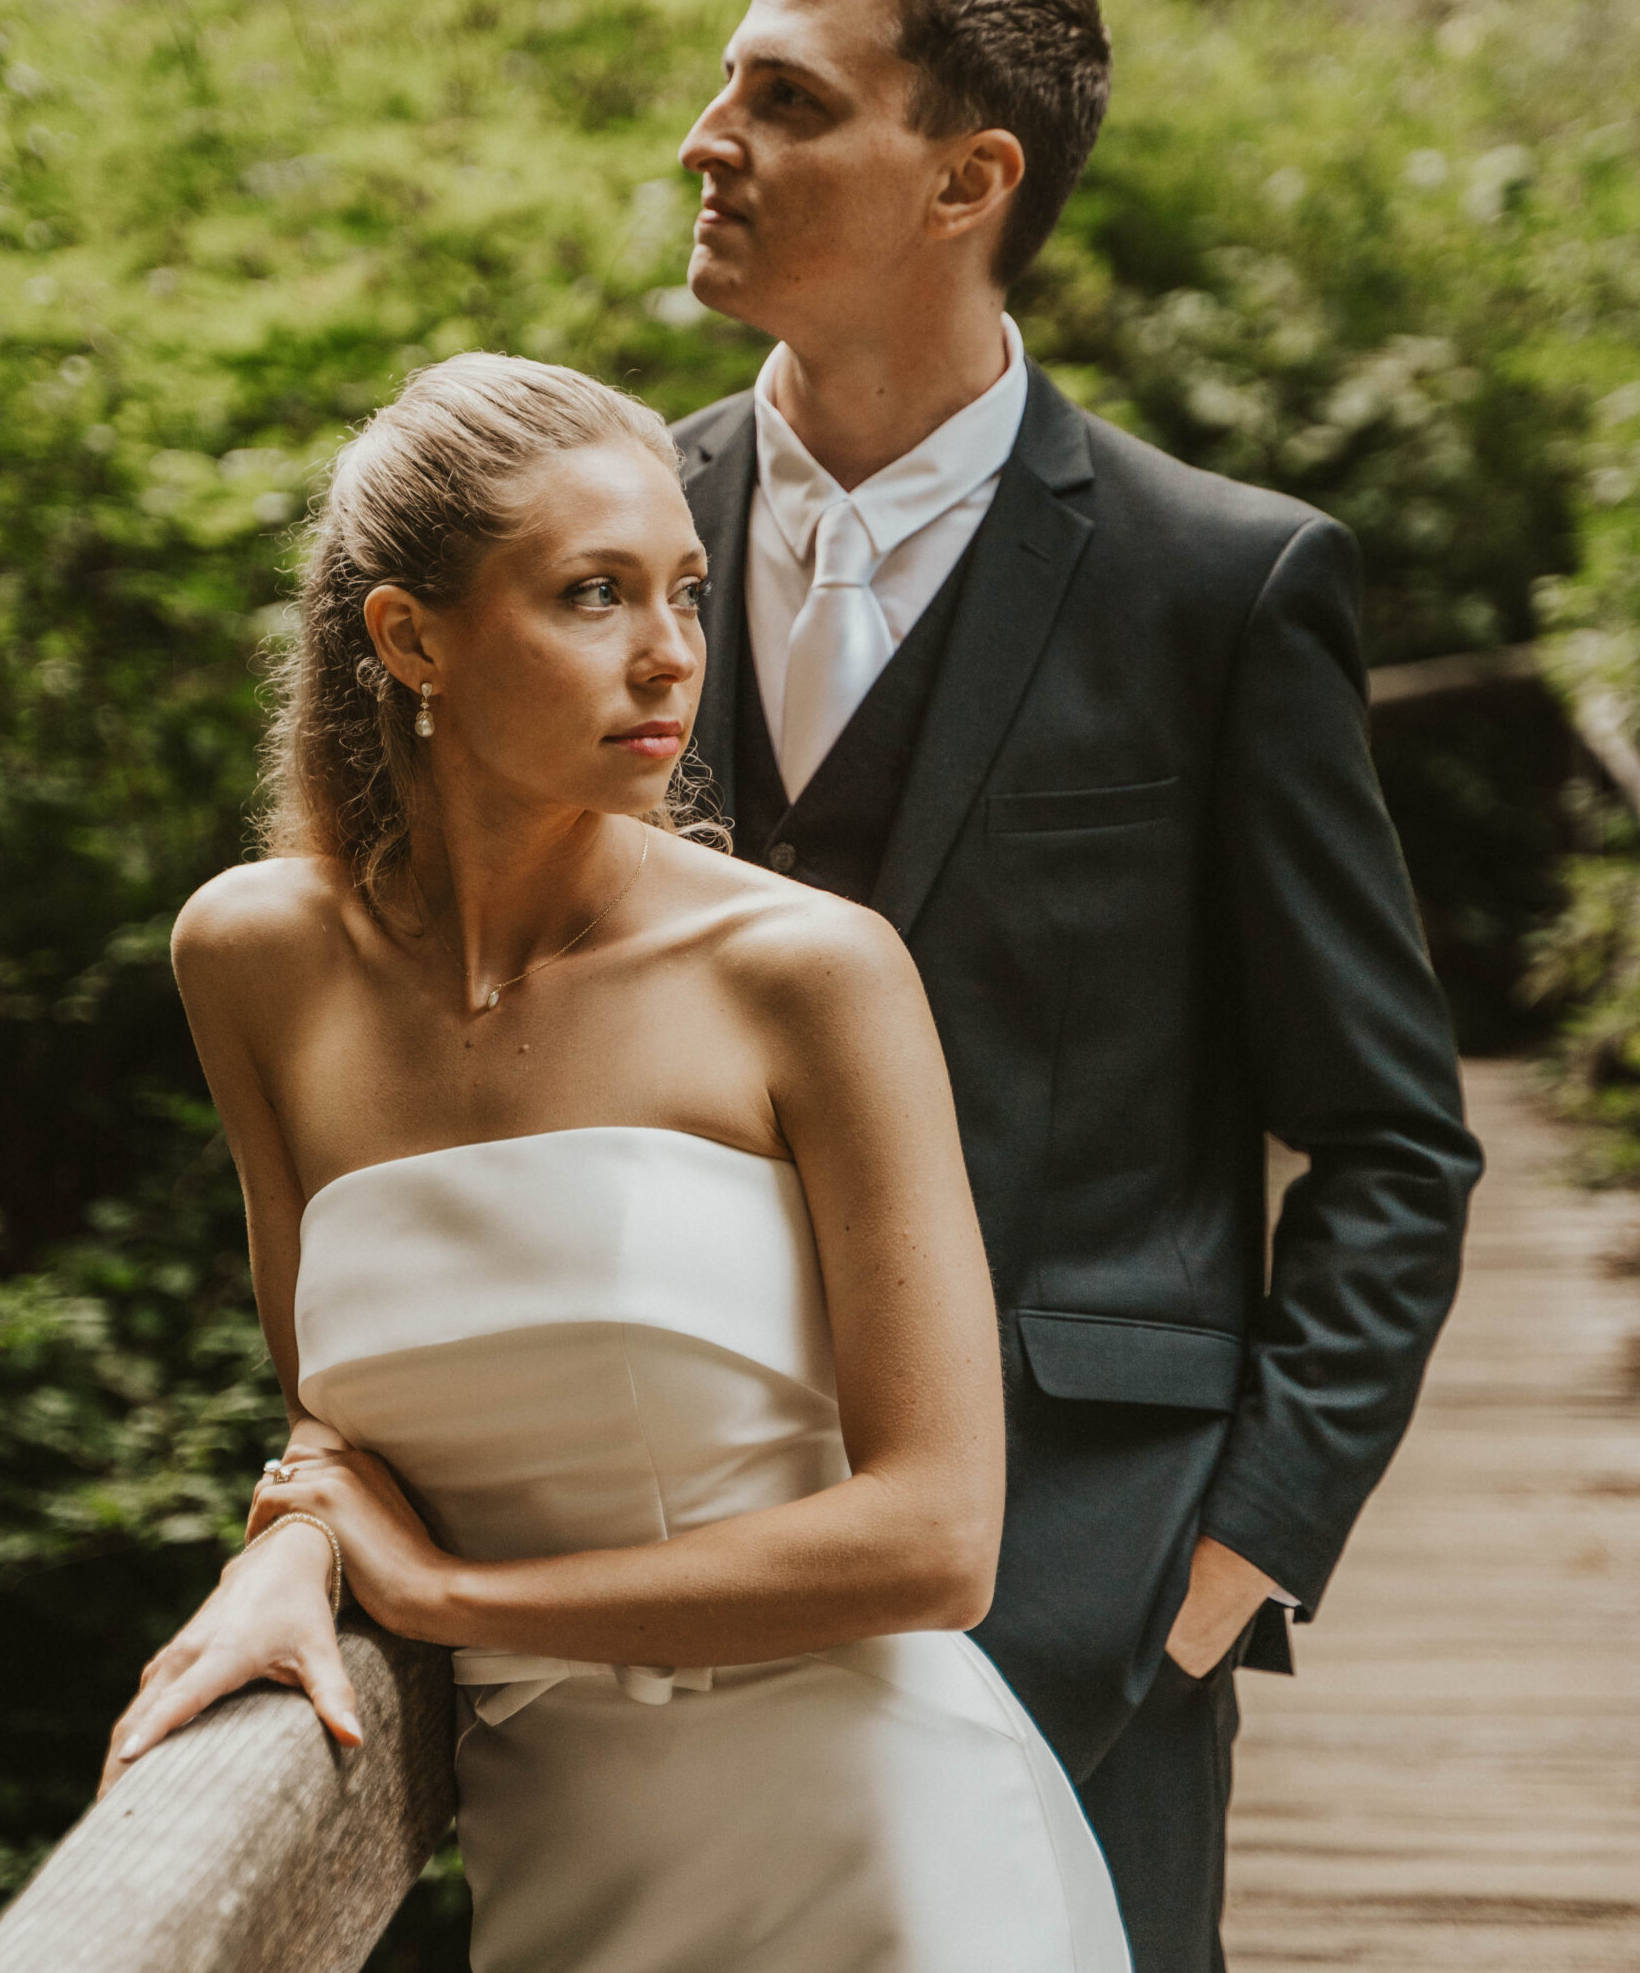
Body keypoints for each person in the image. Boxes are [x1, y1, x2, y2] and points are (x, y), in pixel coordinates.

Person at [671, 0, 1483, 1973]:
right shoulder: (605, 544)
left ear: (966, 178)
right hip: (646, 1582)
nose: (705, 134)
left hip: (1087, 1595)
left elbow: (1390, 1135)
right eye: (725, 81)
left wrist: (1236, 1550)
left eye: (782, 97)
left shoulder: (1219, 587)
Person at [99, 353, 1132, 1973]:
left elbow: (937, 1540)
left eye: (686, 592)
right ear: (409, 639)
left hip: (881, 1850)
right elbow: (338, 1408)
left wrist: (449, 1601)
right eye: (594, 595)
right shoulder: (252, 957)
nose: (670, 655)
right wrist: (295, 1546)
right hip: (558, 1849)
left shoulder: (808, 972)